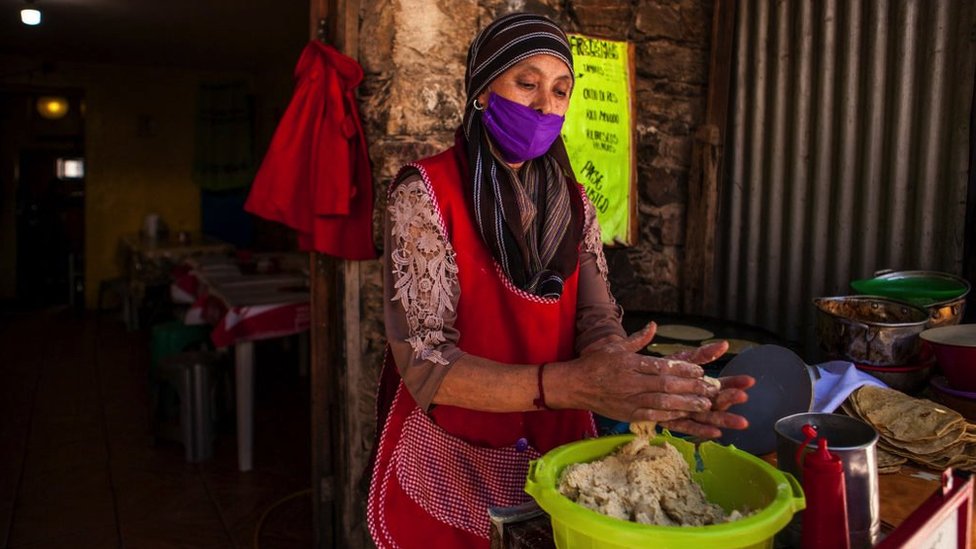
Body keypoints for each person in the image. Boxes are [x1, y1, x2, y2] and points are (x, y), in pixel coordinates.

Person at [367, 12, 754, 548]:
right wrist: (575, 384)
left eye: (561, 90)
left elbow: (595, 318)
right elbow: (428, 363)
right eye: (526, 83)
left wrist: (637, 381)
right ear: (482, 91)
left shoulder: (574, 202)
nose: (546, 106)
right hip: (452, 452)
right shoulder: (425, 193)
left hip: (555, 448)